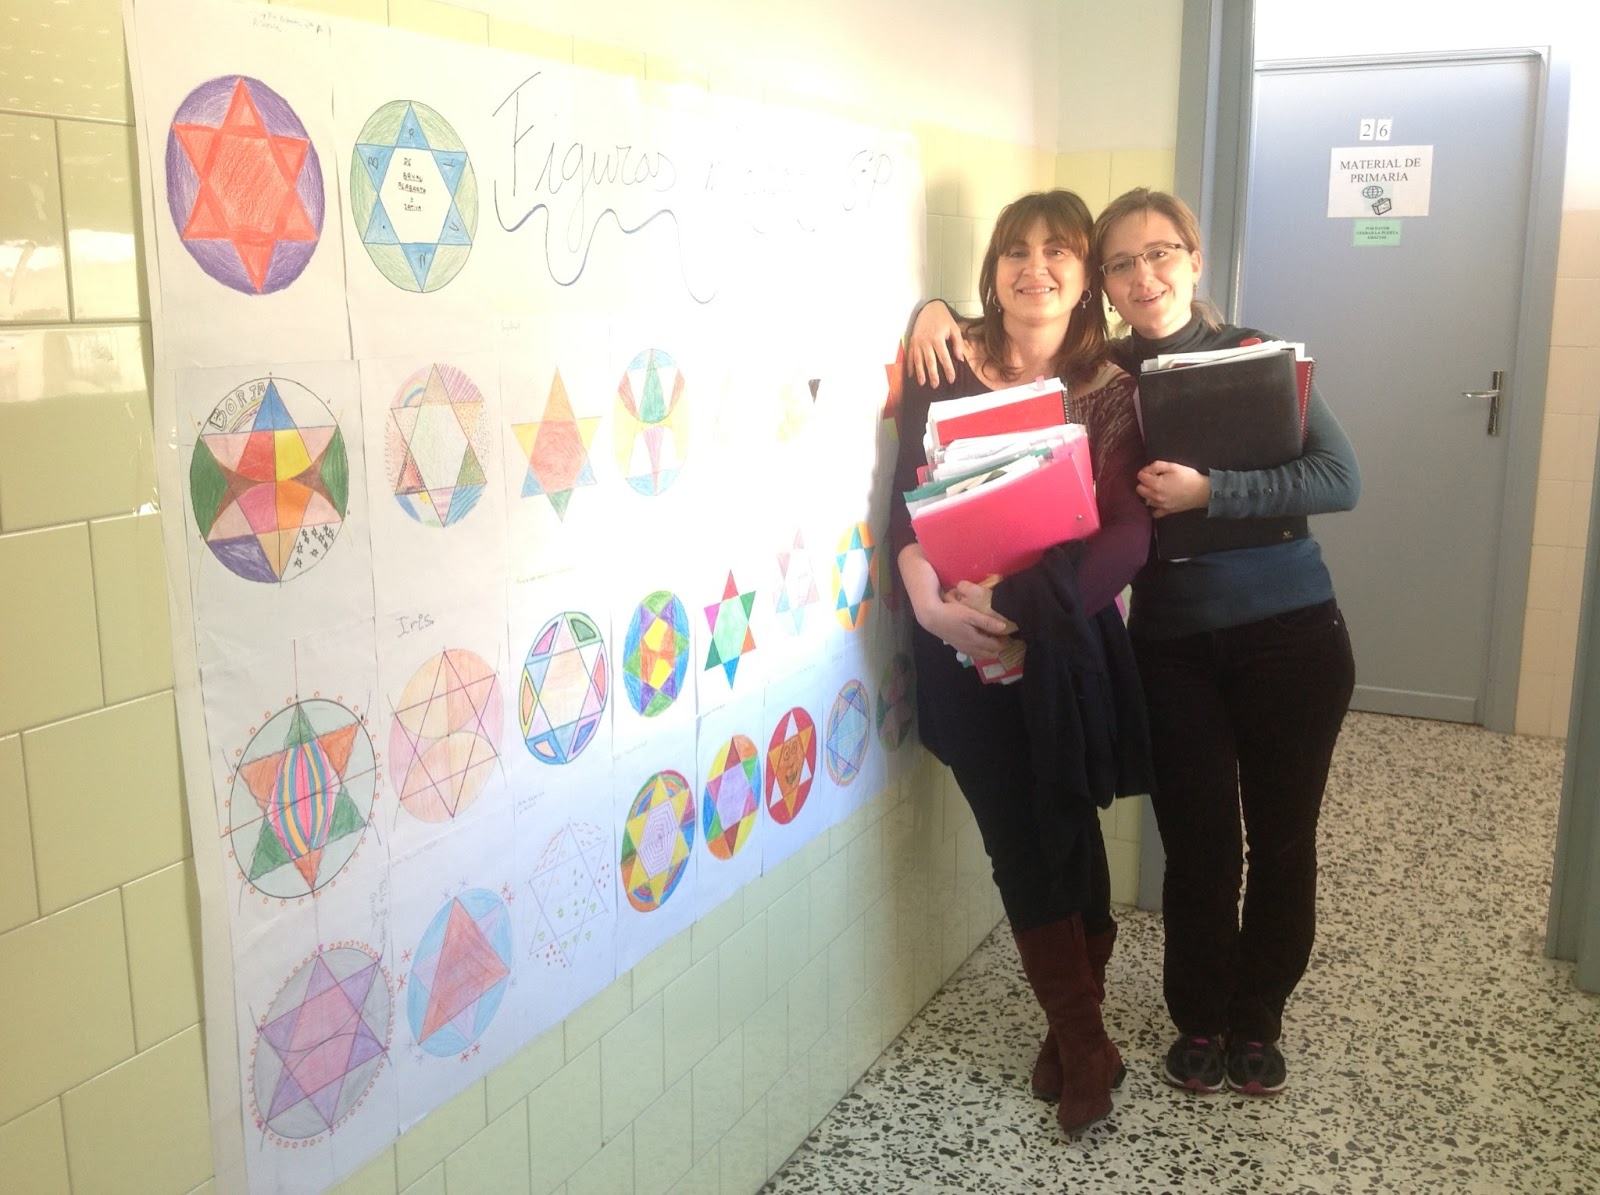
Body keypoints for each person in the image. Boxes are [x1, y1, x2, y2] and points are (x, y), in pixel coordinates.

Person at [908, 187, 1359, 1098]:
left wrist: (1211, 491)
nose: (1143, 275)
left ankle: (1257, 1017)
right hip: (1176, 642)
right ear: (1104, 285)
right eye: (1122, 261)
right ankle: (1197, 1018)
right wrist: (931, 309)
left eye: (1159, 254)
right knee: (1198, 845)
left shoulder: (1254, 356)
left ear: (1194, 258)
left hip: (1291, 632)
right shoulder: (1107, 370)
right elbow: (1017, 327)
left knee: (1281, 842)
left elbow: (1338, 477)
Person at [892, 190, 1153, 1134]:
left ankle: (1072, 1033)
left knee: (1070, 827)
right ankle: (1085, 1041)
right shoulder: (943, 363)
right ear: (993, 268)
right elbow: (904, 504)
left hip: (1064, 646)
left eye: (1058, 251)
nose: (1034, 267)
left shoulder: (1114, 388)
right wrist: (928, 603)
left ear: (1086, 281)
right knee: (1018, 840)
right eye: (1015, 249)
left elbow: (1126, 535)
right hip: (961, 649)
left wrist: (1020, 604)